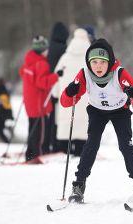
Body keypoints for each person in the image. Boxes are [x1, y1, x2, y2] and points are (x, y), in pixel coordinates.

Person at [60, 38, 133, 203]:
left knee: (125, 145)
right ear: (89, 63)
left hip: (120, 111)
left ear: (109, 62)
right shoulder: (84, 74)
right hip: (97, 112)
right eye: (94, 62)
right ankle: (78, 186)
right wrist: (69, 91)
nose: (98, 66)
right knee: (91, 144)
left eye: (102, 62)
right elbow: (65, 102)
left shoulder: (120, 73)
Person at [19, 35, 59, 162]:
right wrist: (56, 76)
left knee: (32, 129)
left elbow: (22, 74)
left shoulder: (28, 61)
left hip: (29, 102)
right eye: (46, 49)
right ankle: (37, 155)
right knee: (40, 133)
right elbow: (42, 83)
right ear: (43, 50)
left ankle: (30, 154)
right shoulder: (42, 63)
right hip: (38, 104)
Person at [52, 28, 90, 156]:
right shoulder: (90, 59)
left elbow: (57, 76)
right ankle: (80, 150)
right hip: (84, 97)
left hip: (67, 97)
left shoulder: (65, 57)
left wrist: (56, 93)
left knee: (66, 122)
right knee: (83, 123)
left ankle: (64, 150)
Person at [47, 22, 69, 153]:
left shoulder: (50, 47)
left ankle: (51, 143)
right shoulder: (63, 49)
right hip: (60, 86)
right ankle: (59, 145)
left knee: (52, 117)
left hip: (50, 85)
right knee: (60, 118)